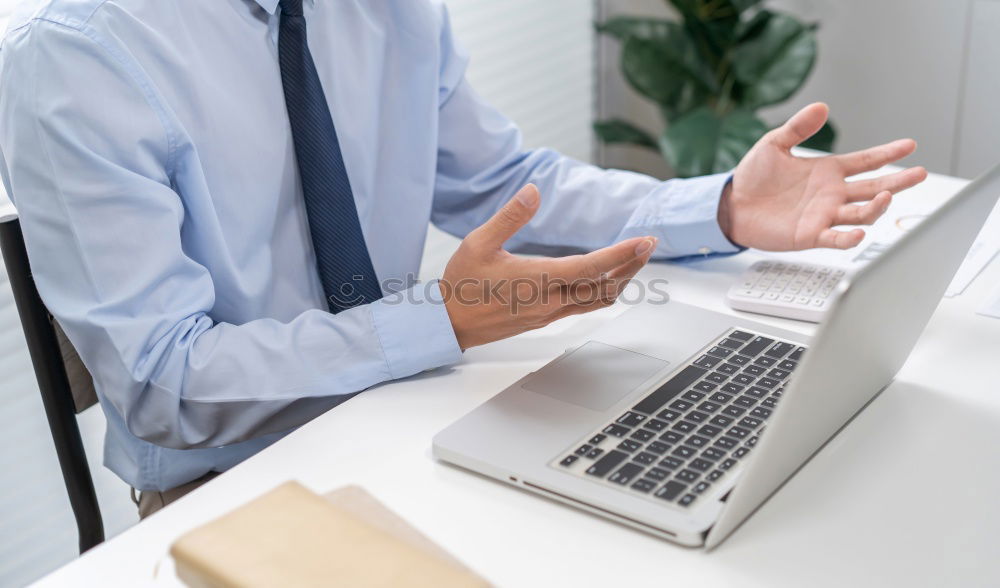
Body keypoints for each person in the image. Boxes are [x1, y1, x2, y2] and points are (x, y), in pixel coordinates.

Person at [0, 0, 926, 518]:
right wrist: (435, 322)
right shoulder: (80, 59)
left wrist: (718, 205)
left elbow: (504, 180)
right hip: (233, 486)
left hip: (412, 411)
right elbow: (163, 383)